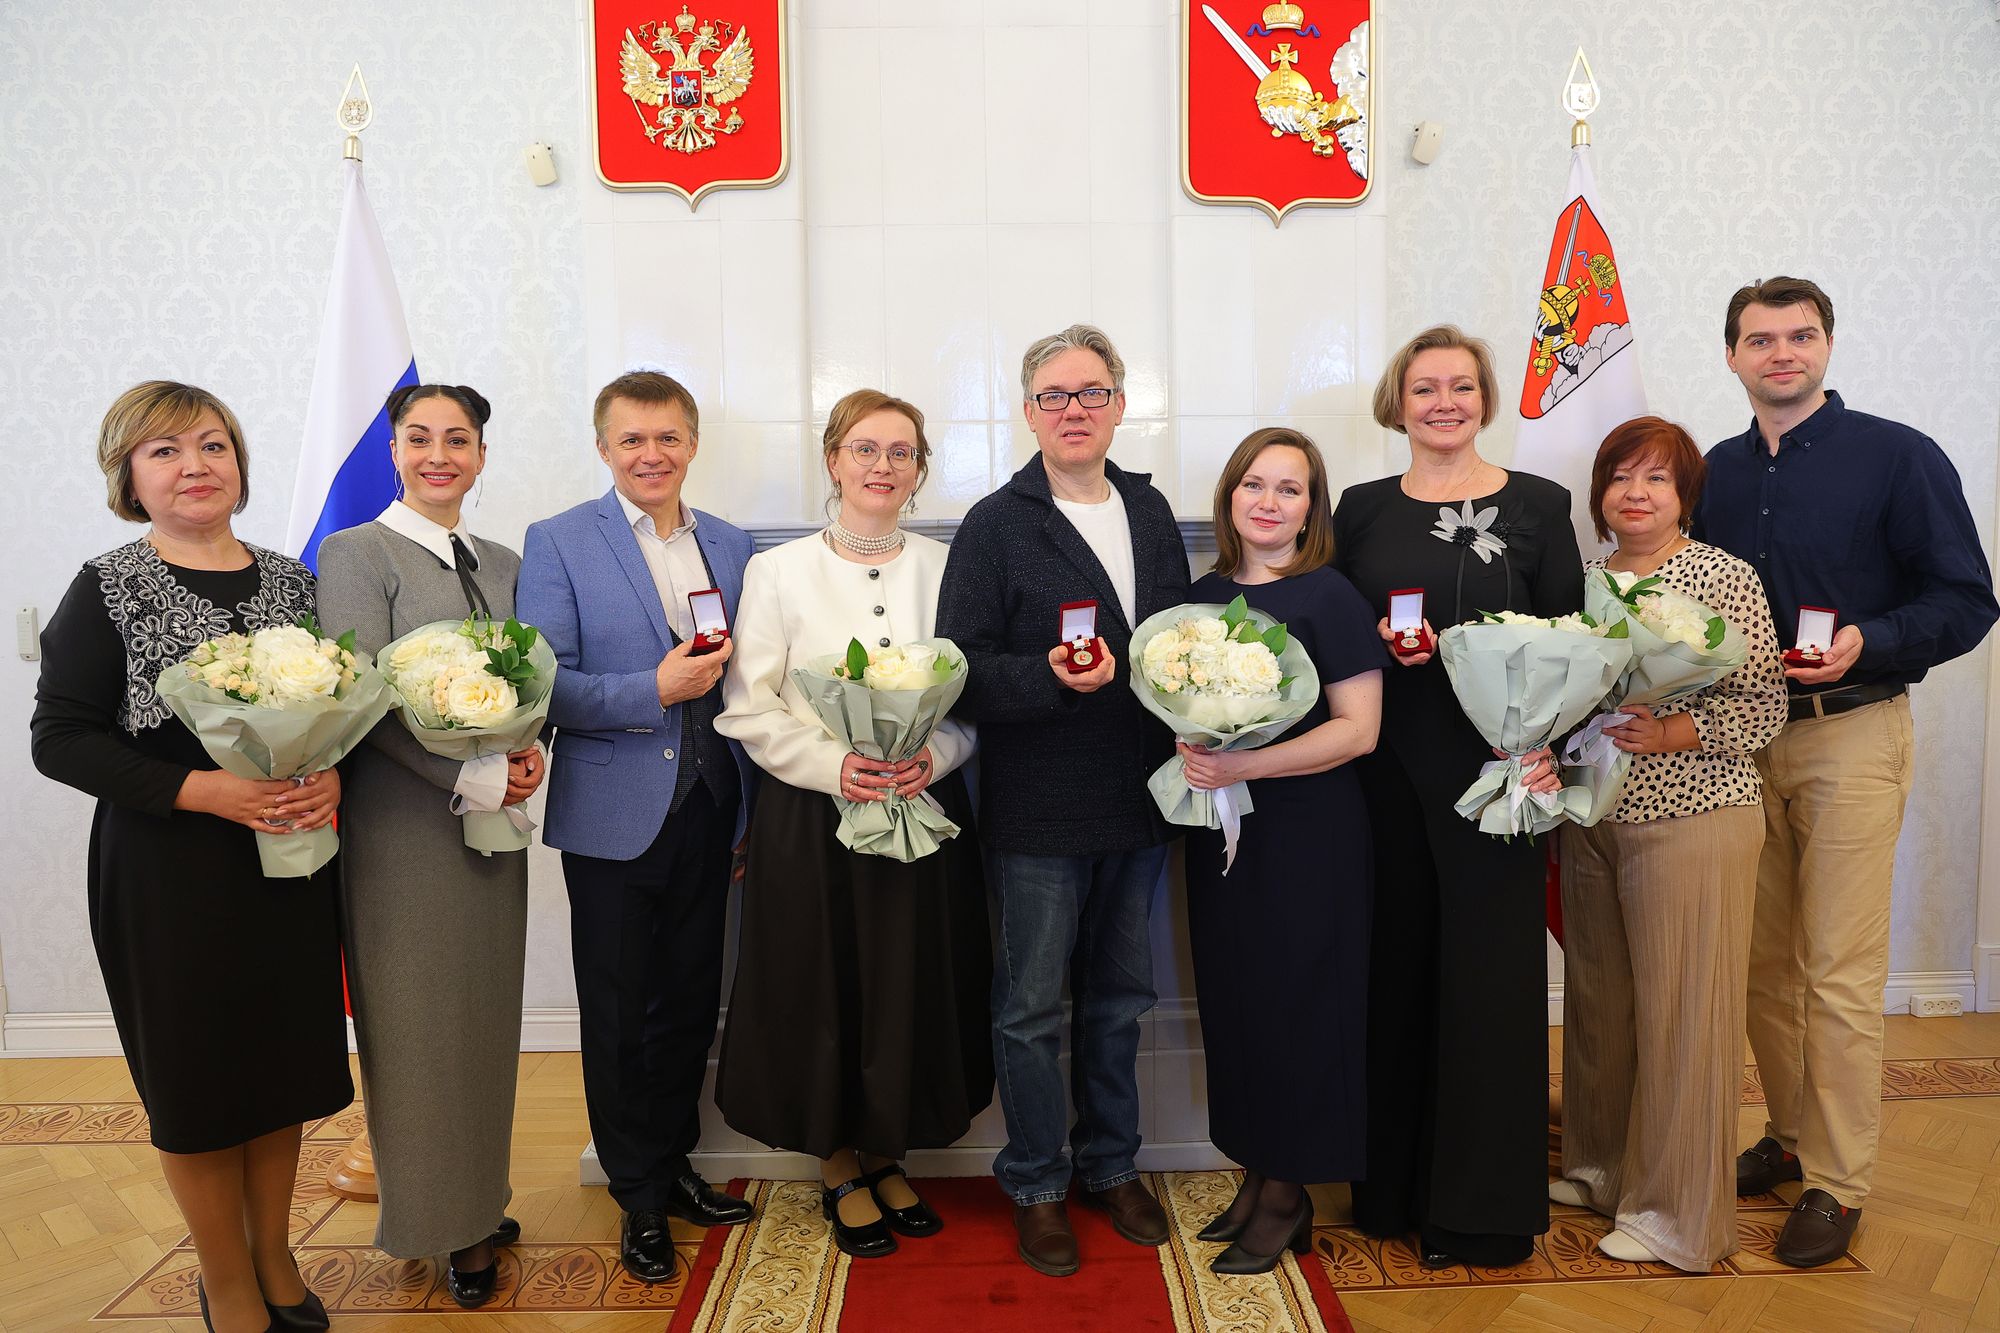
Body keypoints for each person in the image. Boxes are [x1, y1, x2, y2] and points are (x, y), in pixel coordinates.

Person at [30, 382, 348, 1333]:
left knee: (281, 1073)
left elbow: (336, 712)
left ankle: (275, 1255)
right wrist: (205, 791)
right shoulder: (108, 586)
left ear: (239, 463)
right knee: (199, 1084)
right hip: (169, 877)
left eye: (212, 445)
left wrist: (333, 774)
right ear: (130, 477)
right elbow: (59, 739)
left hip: (288, 869)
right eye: (164, 451)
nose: (194, 466)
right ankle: (226, 1279)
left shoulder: (294, 582)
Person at [1694, 277, 1998, 1266]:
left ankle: (1836, 1180)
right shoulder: (1712, 473)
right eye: (1760, 339)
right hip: (1739, 742)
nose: (1781, 352)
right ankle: (1788, 1136)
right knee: (1759, 964)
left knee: (1836, 970)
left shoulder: (1898, 456)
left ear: (1826, 345)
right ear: (1732, 356)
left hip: (1852, 734)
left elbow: (1966, 599)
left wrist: (1871, 637)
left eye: (1800, 335)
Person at [714, 389, 993, 1258]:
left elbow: (974, 698)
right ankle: (836, 1162)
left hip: (922, 805)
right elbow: (748, 705)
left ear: (919, 470)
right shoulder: (778, 570)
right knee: (820, 983)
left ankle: (887, 1152)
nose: (882, 465)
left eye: (901, 452)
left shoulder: (949, 566)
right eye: (865, 448)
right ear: (833, 459)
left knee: (911, 979)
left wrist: (934, 757)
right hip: (813, 813)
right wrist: (834, 765)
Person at [938, 323, 1191, 1278]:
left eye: (1091, 393)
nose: (1073, 410)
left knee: (1121, 1000)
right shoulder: (996, 524)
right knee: (1031, 1009)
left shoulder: (1150, 511)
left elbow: (1175, 641)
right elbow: (959, 669)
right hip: (1038, 808)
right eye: (1054, 395)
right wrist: (1046, 675)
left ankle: (1111, 1165)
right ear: (1028, 410)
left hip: (1140, 798)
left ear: (1120, 405)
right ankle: (1038, 1182)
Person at [1332, 325, 1582, 1269]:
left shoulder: (1540, 503)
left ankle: (1479, 1211)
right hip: (1386, 773)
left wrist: (1547, 749)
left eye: (1462, 386)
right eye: (1426, 387)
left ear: (1485, 398)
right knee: (1396, 971)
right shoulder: (1358, 509)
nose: (1445, 402)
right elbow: (1334, 632)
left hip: (1497, 775)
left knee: (1488, 984)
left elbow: (1573, 640)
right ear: (1397, 403)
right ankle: (1393, 1191)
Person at [514, 370, 758, 1285]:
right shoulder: (558, 540)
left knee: (690, 999)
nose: (650, 455)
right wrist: (653, 688)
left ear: (692, 444)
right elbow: (544, 684)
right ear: (604, 447)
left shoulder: (731, 544)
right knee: (619, 1008)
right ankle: (636, 1194)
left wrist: (749, 808)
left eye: (667, 438)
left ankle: (675, 1160)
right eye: (631, 439)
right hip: (612, 816)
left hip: (711, 805)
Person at [314, 384, 543, 1306]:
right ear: (394, 450)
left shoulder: (503, 559)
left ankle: (479, 1198)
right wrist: (475, 775)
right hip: (403, 835)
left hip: (494, 833)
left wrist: (527, 756)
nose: (439, 454)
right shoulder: (356, 552)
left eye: (458, 439)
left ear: (481, 454)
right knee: (419, 1032)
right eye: (419, 438)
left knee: (483, 1024)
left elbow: (530, 682)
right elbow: (365, 697)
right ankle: (445, 1225)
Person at [1550, 416, 1785, 1271]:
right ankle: (1602, 1169)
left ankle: (1678, 1215)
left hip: (1695, 813)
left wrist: (1677, 728)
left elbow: (1765, 703)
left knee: (1685, 1012)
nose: (1636, 493)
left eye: (1657, 478)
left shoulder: (1723, 575)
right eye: (1620, 476)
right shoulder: (1583, 580)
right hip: (1594, 814)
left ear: (1686, 494)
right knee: (1601, 1001)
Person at [1178, 428, 1382, 1275]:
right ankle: (1258, 1171)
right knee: (1240, 1003)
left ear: (1311, 509)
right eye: (1254, 484)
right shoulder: (1200, 599)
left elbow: (1359, 731)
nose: (1269, 502)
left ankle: (1289, 1192)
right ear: (1230, 497)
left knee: (1300, 1006)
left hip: (1309, 834)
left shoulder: (1329, 595)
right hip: (1226, 834)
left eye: (1289, 489)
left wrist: (1245, 764)